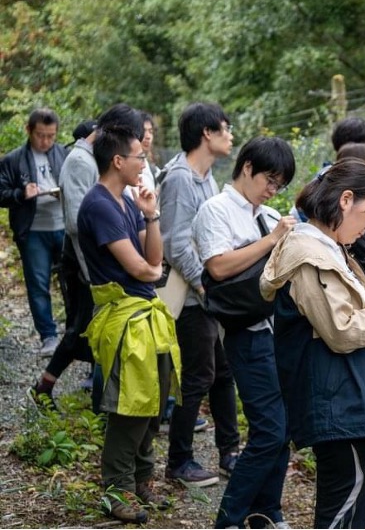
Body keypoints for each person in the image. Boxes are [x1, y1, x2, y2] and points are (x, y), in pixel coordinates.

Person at [262, 159, 365, 528]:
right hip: (340, 402)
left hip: (348, 399)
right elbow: (342, 331)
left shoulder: (328, 248)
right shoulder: (311, 255)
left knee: (351, 508)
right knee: (342, 513)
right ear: (345, 200)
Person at [192, 136, 296, 529]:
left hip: (277, 332)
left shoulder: (270, 214)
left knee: (282, 428)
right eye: (270, 180)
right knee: (269, 428)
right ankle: (230, 517)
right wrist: (270, 241)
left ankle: (265, 512)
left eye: (280, 185)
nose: (273, 190)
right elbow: (217, 267)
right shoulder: (215, 211)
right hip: (246, 332)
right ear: (247, 167)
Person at [77, 124, 180, 524]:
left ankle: (141, 480)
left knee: (153, 403)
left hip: (144, 311)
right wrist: (153, 269)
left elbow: (153, 256)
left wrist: (151, 214)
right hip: (123, 316)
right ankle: (115, 489)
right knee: (130, 405)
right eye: (139, 156)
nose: (144, 162)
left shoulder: (126, 200)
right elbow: (142, 266)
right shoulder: (99, 205)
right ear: (118, 160)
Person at [159, 102, 240, 487]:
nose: (231, 135)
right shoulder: (179, 179)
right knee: (199, 376)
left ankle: (230, 452)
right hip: (193, 296)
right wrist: (204, 283)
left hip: (209, 293)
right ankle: (179, 461)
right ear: (207, 133)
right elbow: (175, 243)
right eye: (225, 128)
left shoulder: (205, 176)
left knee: (223, 372)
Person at [27, 119, 99, 410]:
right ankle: (45, 386)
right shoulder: (81, 161)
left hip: (79, 258)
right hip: (76, 259)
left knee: (81, 329)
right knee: (79, 328)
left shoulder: (84, 159)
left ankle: (47, 385)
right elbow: (78, 222)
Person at [0, 108, 68, 357]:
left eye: (51, 136)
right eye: (41, 135)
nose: (46, 141)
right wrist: (21, 193)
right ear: (29, 131)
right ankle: (48, 336)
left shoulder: (64, 154)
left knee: (71, 281)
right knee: (38, 284)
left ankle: (73, 334)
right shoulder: (14, 159)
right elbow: (1, 193)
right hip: (33, 230)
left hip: (63, 226)